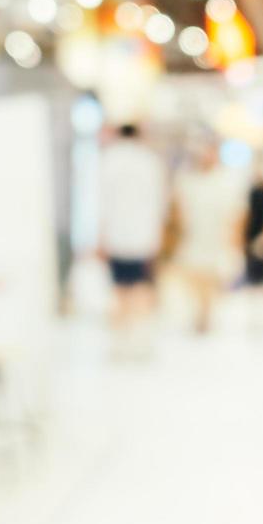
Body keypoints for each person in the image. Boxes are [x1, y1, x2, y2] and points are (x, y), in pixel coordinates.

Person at [98, 124, 168, 354]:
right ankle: (139, 340)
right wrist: (157, 236)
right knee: (140, 288)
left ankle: (119, 342)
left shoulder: (109, 160)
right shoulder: (150, 162)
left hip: (116, 236)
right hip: (143, 236)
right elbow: (160, 202)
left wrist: (101, 236)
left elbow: (101, 202)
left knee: (119, 290)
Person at [172, 140, 243, 334]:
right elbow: (179, 213)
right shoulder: (187, 181)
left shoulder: (226, 181)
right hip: (193, 238)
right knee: (194, 279)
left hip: (217, 240)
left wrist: (234, 244)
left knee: (211, 280)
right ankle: (199, 314)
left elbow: (235, 216)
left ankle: (206, 316)